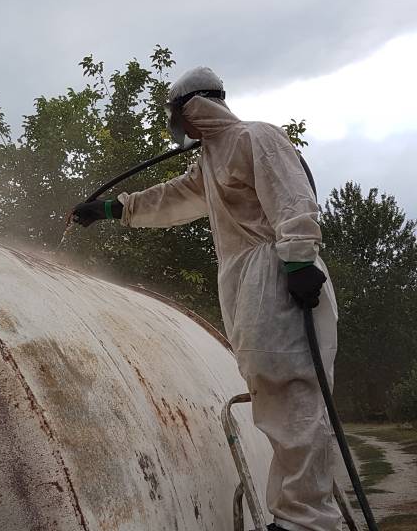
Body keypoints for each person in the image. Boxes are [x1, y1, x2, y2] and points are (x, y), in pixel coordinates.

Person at [72, 67, 340, 531]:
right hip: (246, 283)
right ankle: (295, 515)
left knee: (294, 393)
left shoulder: (256, 138)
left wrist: (298, 259)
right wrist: (115, 208)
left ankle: (309, 521)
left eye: (178, 114)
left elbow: (292, 198)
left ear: (194, 107)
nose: (177, 126)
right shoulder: (211, 162)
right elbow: (173, 197)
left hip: (278, 274)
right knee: (272, 393)